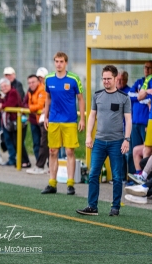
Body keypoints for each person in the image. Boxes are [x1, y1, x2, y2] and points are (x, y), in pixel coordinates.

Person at [76, 65, 131, 216]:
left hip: (116, 142)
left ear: (115, 78)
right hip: (99, 141)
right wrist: (88, 136)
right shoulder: (97, 95)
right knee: (93, 173)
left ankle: (115, 207)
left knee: (117, 176)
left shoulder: (124, 97)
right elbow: (92, 116)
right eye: (104, 78)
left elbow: (128, 119)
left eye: (109, 79)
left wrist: (126, 140)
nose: (106, 81)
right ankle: (92, 206)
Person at [41, 52, 85, 195]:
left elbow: (80, 98)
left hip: (70, 121)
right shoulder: (48, 79)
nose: (59, 64)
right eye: (56, 61)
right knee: (52, 151)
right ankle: (52, 183)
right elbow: (47, 99)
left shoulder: (73, 79)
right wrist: (46, 116)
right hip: (53, 120)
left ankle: (70, 184)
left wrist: (82, 119)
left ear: (66, 63)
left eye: (61, 61)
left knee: (69, 152)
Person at [128, 62, 152, 175]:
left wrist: (144, 96)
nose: (146, 70)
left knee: (147, 150)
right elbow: (130, 95)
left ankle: (146, 178)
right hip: (135, 122)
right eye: (145, 67)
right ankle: (137, 176)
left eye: (149, 68)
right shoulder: (140, 82)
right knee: (135, 149)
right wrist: (144, 98)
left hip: (146, 122)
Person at [0, 78, 22, 166]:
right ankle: (12, 159)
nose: (4, 88)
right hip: (5, 122)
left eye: (5, 86)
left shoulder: (13, 92)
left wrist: (1, 105)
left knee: (16, 141)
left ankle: (21, 160)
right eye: (2, 86)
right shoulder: (2, 93)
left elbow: (10, 104)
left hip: (14, 121)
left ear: (9, 85)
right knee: (8, 141)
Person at [25, 75, 48, 174]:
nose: (31, 84)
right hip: (39, 119)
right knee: (40, 143)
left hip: (47, 119)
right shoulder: (30, 91)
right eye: (29, 83)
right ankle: (41, 165)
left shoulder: (42, 89)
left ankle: (41, 166)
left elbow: (39, 105)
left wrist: (29, 108)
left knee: (45, 144)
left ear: (39, 81)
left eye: (33, 82)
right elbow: (24, 103)